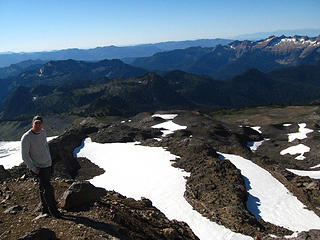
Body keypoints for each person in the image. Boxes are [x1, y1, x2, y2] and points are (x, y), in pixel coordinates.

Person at [21, 115, 61, 218]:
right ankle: (54, 211)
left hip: (47, 165)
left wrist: (49, 161)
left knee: (43, 187)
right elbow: (25, 155)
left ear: (42, 124)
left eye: (40, 123)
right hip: (38, 168)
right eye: (36, 123)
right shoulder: (26, 137)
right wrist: (34, 168)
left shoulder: (43, 133)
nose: (38, 125)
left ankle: (45, 209)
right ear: (32, 124)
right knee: (48, 188)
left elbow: (45, 146)